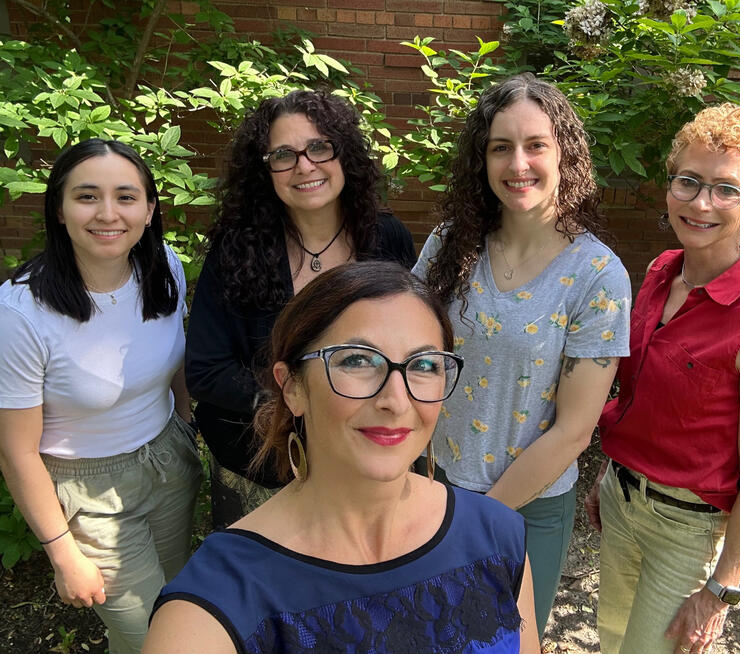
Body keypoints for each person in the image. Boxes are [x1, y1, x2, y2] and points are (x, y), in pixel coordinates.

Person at [144, 261, 538, 654]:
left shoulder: (497, 536)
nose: (396, 401)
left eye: (423, 365)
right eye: (357, 360)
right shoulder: (212, 605)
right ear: (293, 387)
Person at [586, 103, 740, 654]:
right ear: (670, 187)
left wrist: (721, 590)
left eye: (726, 189)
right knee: (612, 638)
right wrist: (607, 471)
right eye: (688, 182)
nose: (701, 203)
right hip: (621, 500)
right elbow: (634, 394)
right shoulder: (660, 273)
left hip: (687, 532)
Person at [414, 73, 631, 637]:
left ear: (564, 154)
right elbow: (413, 355)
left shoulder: (598, 276)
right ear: (481, 160)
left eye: (536, 145)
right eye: (500, 147)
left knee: (503, 643)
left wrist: (476, 521)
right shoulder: (449, 244)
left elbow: (574, 431)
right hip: (428, 487)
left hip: (524, 510)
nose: (518, 164)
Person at [0, 139, 202, 654]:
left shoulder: (165, 270)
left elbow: (171, 359)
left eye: (126, 197)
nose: (108, 214)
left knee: (176, 607)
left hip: (167, 461)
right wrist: (61, 551)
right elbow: (17, 451)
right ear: (60, 210)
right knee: (153, 639)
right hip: (87, 494)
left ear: (150, 209)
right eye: (87, 196)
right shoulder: (21, 312)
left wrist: (183, 422)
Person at [185, 90, 416, 528]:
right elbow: (206, 369)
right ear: (265, 170)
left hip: (362, 458)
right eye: (283, 154)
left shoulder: (387, 240)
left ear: (341, 153)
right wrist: (294, 401)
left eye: (318, 147)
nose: (304, 166)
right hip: (259, 467)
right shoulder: (237, 249)